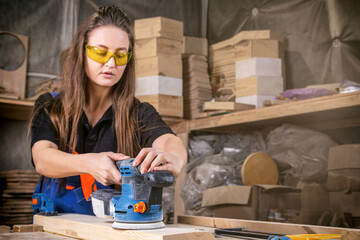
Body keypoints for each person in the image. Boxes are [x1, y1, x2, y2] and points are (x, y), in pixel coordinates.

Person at [29, 5, 187, 215]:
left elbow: (171, 143)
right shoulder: (50, 106)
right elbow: (42, 159)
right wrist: (89, 162)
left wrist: (173, 157)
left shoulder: (137, 112)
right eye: (101, 52)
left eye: (121, 55)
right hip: (54, 227)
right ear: (81, 51)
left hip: (109, 231)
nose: (111, 63)